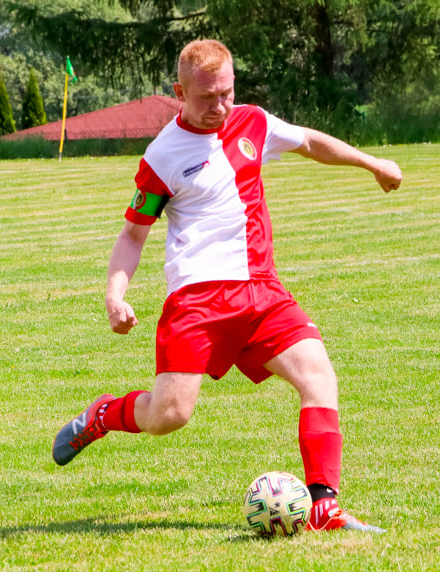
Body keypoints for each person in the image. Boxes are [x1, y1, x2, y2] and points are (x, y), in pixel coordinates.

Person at [52, 39, 402, 533]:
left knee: (318, 376)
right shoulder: (162, 157)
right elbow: (133, 234)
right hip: (197, 299)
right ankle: (103, 415)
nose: (219, 106)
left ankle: (324, 505)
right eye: (205, 97)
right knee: (170, 414)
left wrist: (372, 163)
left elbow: (308, 141)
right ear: (179, 92)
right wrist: (115, 294)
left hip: (262, 290)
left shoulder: (253, 122)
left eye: (226, 93)